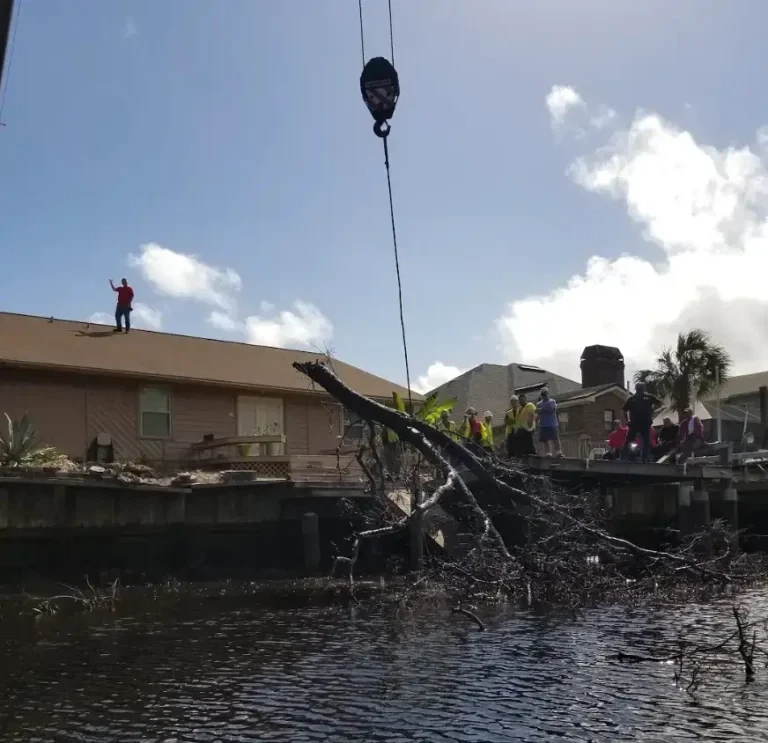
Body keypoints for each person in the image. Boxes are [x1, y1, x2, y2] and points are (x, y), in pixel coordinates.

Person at [621, 382, 659, 463]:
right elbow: (624, 410)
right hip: (639, 423)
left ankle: (626, 457)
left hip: (640, 423)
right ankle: (632, 457)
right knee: (638, 441)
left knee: (634, 440)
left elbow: (624, 411)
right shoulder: (634, 398)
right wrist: (653, 413)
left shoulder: (637, 398)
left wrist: (652, 413)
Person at [536, 388, 562, 457]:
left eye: (545, 394)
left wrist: (542, 409)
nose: (544, 396)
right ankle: (548, 454)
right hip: (543, 425)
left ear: (548, 394)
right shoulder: (539, 403)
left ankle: (559, 453)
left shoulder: (552, 401)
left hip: (553, 424)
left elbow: (552, 409)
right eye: (543, 394)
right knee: (545, 440)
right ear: (541, 395)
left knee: (555, 439)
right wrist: (542, 410)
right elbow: (537, 411)